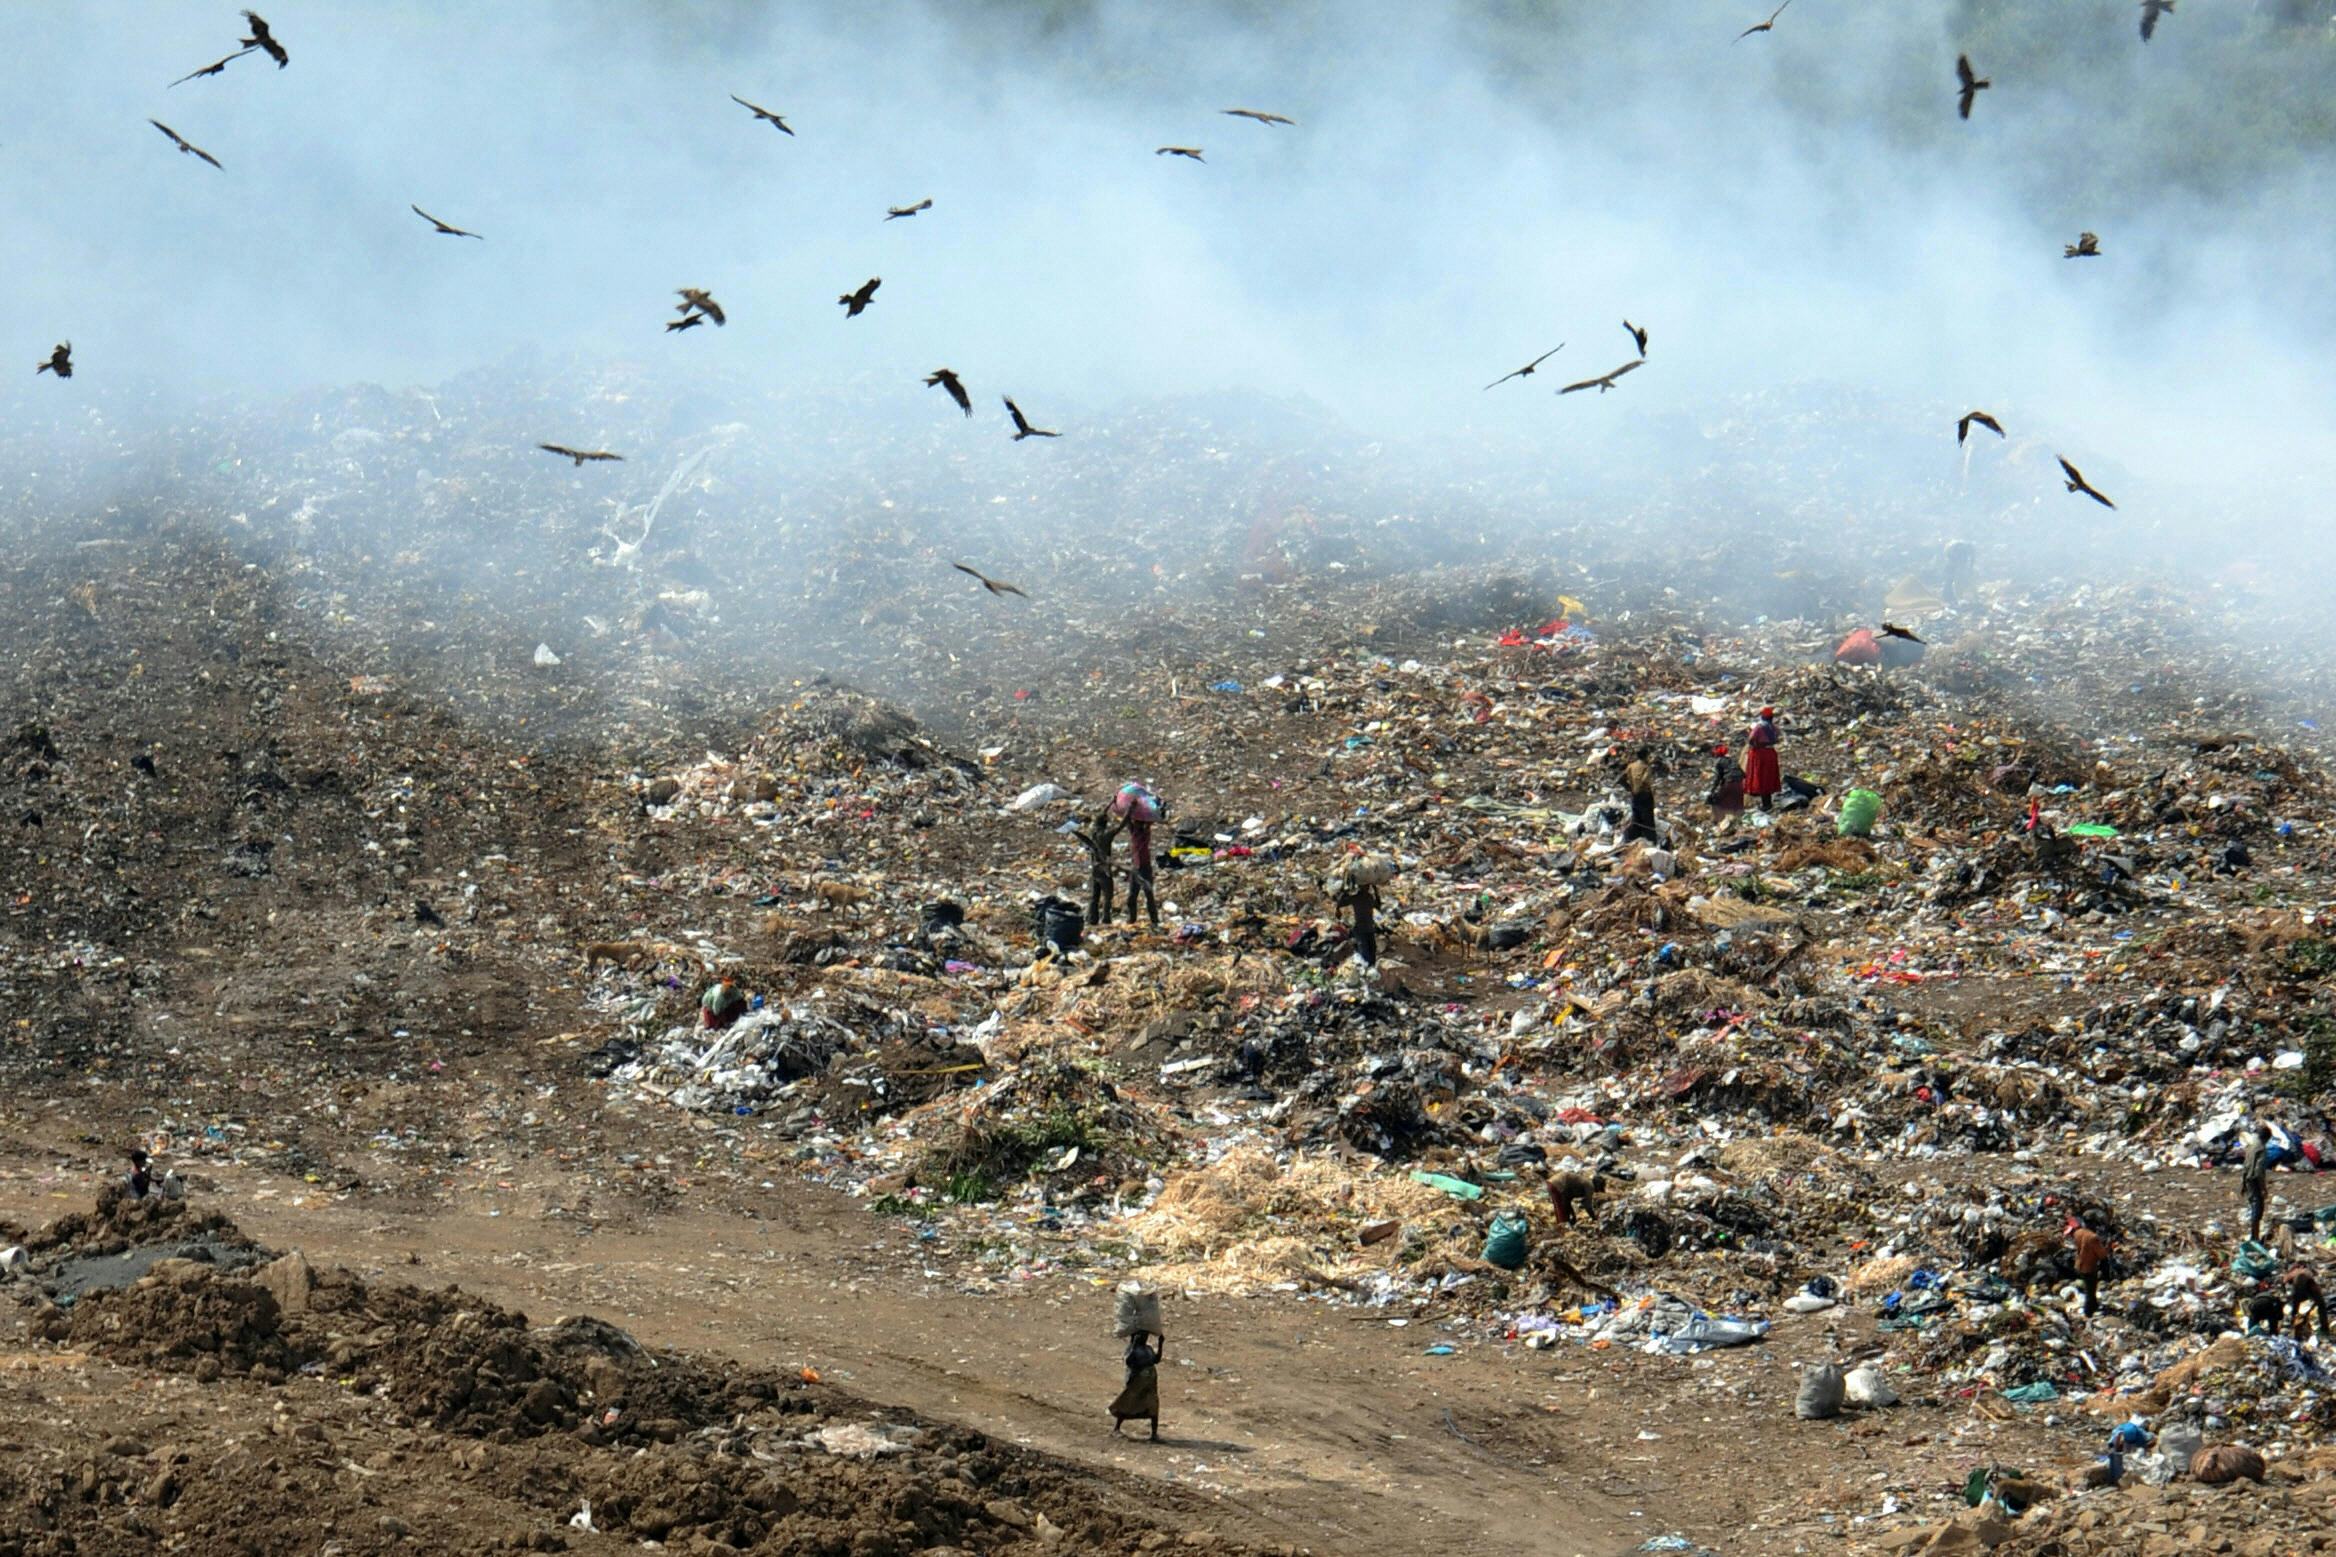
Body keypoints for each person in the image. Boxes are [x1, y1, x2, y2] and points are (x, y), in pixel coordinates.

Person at [1109, 782, 1163, 928]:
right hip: (1135, 869)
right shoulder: (1134, 833)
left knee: (1149, 897)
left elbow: (1150, 820)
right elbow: (1127, 821)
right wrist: (1126, 807)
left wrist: (1152, 806)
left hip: (1144, 869)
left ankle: (1155, 921)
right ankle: (1131, 920)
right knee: (1131, 898)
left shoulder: (1144, 833)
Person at [1327, 854, 1392, 968]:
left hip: (1365, 928)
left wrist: (1338, 908)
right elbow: (1377, 905)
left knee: (1368, 950)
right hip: (1364, 928)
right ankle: (1367, 967)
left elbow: (1340, 902)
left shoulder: (1357, 898)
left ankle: (1368, 968)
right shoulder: (1366, 897)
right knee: (1367, 950)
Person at [1110, 1330, 1164, 1441]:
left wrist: (1160, 1344)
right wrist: (1134, 1345)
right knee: (1128, 1403)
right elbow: (1129, 1362)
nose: (1145, 1338)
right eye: (1142, 1336)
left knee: (1153, 1405)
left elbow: (1156, 1360)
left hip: (1149, 1382)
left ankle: (1154, 1434)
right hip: (1137, 1381)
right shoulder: (1131, 1349)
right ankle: (1116, 1428)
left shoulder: (1148, 1349)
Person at [2067, 1215, 2109, 1317]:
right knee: (2090, 1290)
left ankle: (2094, 1306)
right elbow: (2102, 1255)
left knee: (2089, 1288)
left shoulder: (2078, 1233)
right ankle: (2088, 1312)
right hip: (2089, 1267)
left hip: (2079, 1265)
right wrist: (2105, 1271)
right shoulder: (2093, 1237)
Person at [1744, 708, 1782, 812]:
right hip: (1771, 753)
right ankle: (1767, 802)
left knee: (1761, 778)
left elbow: (1751, 739)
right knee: (1768, 777)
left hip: (1760, 754)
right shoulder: (1774, 727)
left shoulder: (1759, 727)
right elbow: (1777, 738)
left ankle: (1766, 804)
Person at [1621, 751, 1659, 842]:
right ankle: (1651, 841)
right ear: (1645, 756)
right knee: (1648, 819)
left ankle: (1634, 839)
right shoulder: (1646, 767)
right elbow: (1644, 780)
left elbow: (1621, 779)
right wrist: (1642, 788)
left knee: (1636, 817)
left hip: (1634, 795)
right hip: (1645, 795)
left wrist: (1629, 788)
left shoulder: (1631, 766)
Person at [2241, 1123, 2270, 1243]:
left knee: (2253, 1205)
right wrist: (2263, 1188)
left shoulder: (2250, 1146)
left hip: (2248, 1179)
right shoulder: (2261, 1149)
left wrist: (2243, 1184)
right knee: (2257, 1208)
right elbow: (2258, 1171)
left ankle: (2254, 1235)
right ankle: (2255, 1236)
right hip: (2255, 1180)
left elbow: (2245, 1166)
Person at [2288, 1264, 2330, 1340]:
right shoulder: (2303, 1274)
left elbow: (2297, 1294)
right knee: (2318, 1309)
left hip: (2308, 1293)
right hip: (2310, 1293)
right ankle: (2324, 1330)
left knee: (2300, 1313)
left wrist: (2294, 1311)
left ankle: (2299, 1333)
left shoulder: (2299, 1276)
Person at [1707, 745, 1746, 818]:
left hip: (1730, 781)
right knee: (1737, 800)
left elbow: (1718, 777)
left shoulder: (1718, 762)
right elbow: (1742, 773)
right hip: (1739, 782)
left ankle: (1720, 817)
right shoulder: (1731, 760)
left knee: (1720, 799)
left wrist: (1713, 789)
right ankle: (1739, 816)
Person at [1943, 539, 1975, 608]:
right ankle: (1949, 597)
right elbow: (1953, 557)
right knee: (1951, 580)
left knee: (1956, 579)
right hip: (1951, 556)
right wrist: (1957, 566)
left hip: (1952, 558)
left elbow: (1971, 560)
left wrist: (1970, 568)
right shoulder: (1959, 549)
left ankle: (1955, 597)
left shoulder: (1967, 551)